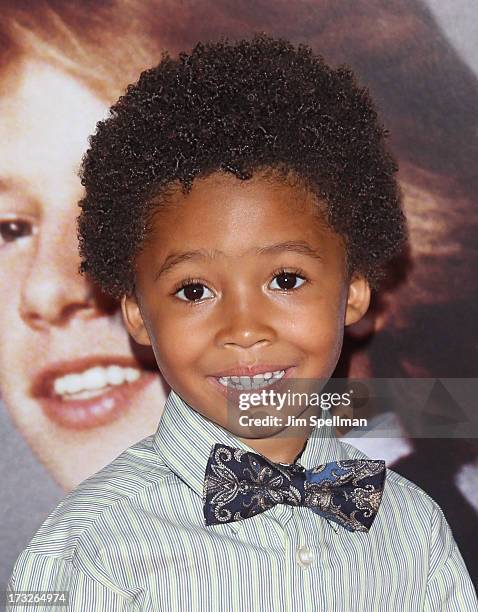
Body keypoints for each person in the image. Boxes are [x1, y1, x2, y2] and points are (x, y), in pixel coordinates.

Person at [7, 35, 476, 611]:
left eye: (285, 280)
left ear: (355, 293)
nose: (244, 326)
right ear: (138, 312)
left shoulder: (412, 522)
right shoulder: (88, 546)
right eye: (194, 290)